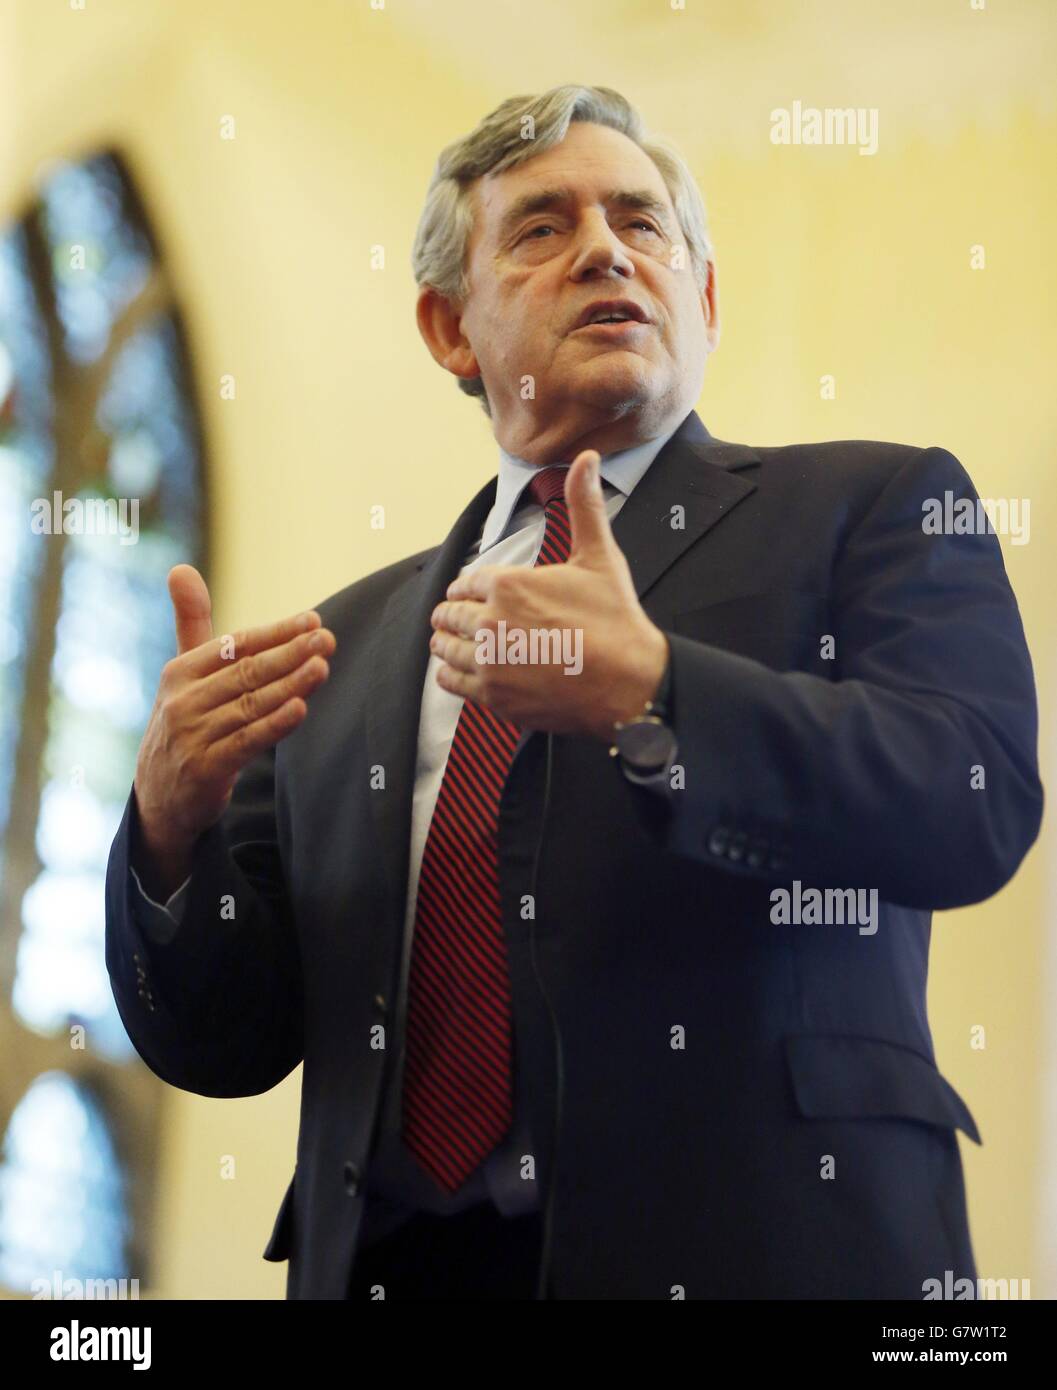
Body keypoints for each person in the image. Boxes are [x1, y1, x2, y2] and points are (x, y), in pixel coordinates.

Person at [105, 84, 1043, 1300]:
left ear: (700, 300)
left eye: (642, 223)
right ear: (450, 327)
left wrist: (656, 692)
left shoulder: (874, 508)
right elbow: (223, 1042)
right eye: (542, 228)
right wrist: (168, 833)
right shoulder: (337, 648)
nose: (605, 246)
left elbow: (970, 805)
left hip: (761, 1253)